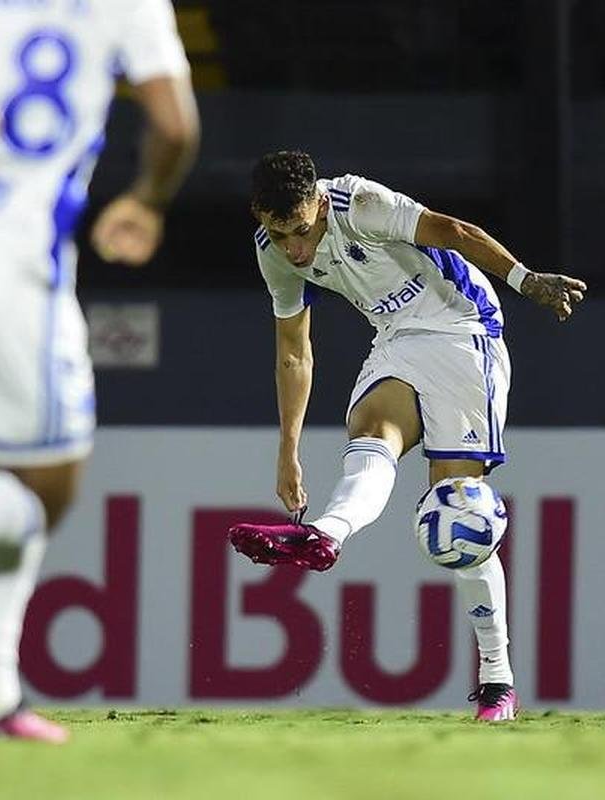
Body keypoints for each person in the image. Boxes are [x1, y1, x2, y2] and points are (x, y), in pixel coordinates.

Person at [227, 151, 586, 722]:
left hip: (464, 328)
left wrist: (525, 280)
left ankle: (498, 681)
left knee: (458, 509)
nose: (296, 248)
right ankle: (324, 535)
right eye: (280, 233)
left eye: (302, 230)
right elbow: (294, 352)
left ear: (319, 203)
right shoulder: (274, 254)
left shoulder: (359, 203)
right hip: (396, 338)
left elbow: (453, 230)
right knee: (369, 430)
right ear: (260, 217)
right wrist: (287, 449)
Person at [0, 0, 199, 741]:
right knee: (43, 491)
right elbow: (177, 125)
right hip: (6, 271)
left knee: (20, 501)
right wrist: (148, 200)